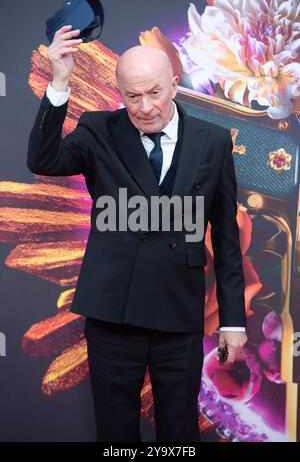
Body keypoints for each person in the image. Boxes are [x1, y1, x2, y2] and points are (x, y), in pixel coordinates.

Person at [27, 25, 247, 442]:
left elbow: (226, 237)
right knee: (115, 437)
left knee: (179, 436)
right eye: (132, 96)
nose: (145, 107)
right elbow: (43, 159)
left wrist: (232, 320)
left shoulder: (213, 141)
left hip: (178, 314)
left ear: (175, 85)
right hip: (113, 313)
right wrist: (59, 81)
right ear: (119, 92)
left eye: (155, 93)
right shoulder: (97, 130)